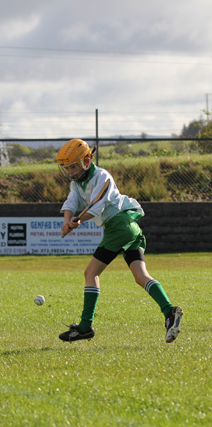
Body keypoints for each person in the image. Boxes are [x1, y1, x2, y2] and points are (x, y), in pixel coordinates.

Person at [57, 139, 183, 343]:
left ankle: (85, 326)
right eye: (67, 168)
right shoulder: (76, 183)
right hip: (126, 228)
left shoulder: (102, 176)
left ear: (87, 160)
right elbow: (72, 202)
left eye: (73, 166)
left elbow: (98, 204)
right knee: (141, 276)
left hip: (119, 226)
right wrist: (66, 221)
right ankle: (170, 311)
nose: (70, 172)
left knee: (91, 272)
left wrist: (78, 220)